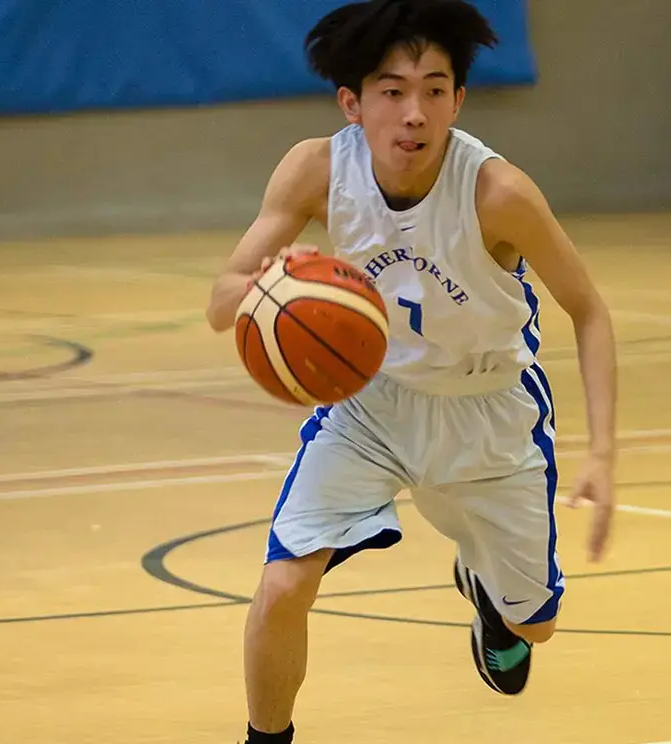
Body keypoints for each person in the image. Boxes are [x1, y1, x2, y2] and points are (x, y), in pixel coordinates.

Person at [202, 1, 620, 741]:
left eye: (434, 89)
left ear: (458, 100)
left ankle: (490, 597)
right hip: (370, 405)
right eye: (392, 91)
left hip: (489, 411)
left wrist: (603, 456)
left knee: (538, 624)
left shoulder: (499, 194)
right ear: (352, 103)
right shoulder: (317, 170)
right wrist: (268, 286)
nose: (414, 113)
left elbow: (589, 310)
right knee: (281, 587)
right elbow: (220, 302)